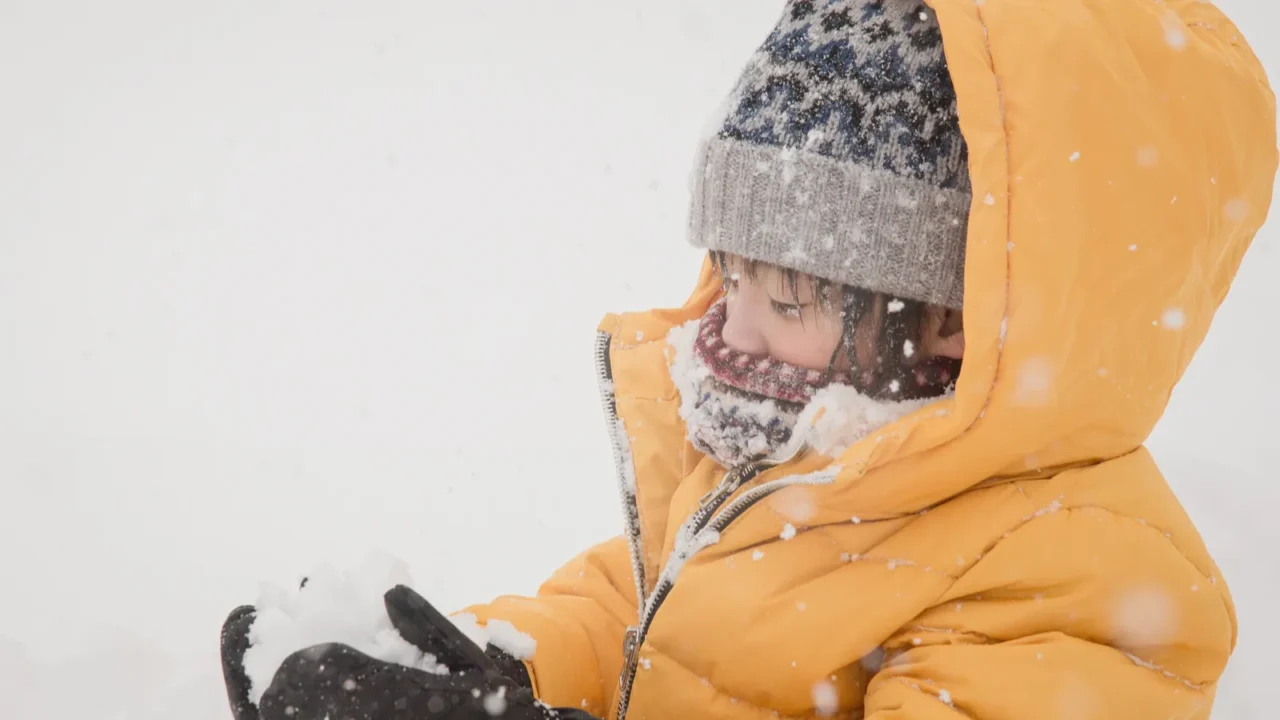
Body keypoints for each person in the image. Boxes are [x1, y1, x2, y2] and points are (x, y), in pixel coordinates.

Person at [221, 0, 1277, 718]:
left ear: (958, 319)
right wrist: (487, 666)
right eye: (726, 279)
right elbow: (630, 618)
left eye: (782, 299)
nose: (728, 332)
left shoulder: (1079, 581)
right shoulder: (798, 461)